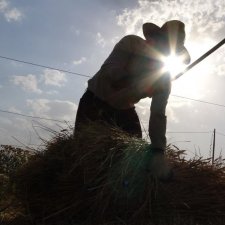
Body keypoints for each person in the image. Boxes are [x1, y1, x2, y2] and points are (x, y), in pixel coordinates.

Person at [74, 20, 190, 180]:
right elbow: (110, 73)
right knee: (82, 156)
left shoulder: (164, 78)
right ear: (155, 38)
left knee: (134, 155)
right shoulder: (130, 43)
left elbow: (158, 113)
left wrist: (158, 151)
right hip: (95, 100)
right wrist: (141, 80)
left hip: (124, 109)